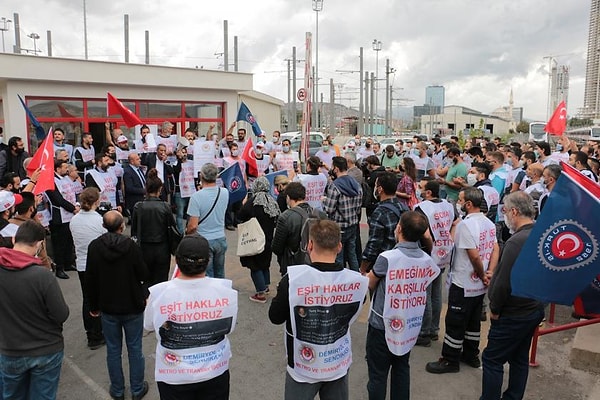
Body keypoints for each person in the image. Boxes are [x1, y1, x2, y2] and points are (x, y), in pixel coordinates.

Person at [269, 219, 369, 400]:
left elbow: (275, 317)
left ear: (309, 245)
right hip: (337, 362)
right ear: (339, 246)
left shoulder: (292, 280)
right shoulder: (357, 282)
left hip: (302, 366)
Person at [144, 234, 238, 400]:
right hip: (215, 372)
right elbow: (229, 327)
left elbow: (149, 325)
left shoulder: (159, 293)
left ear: (177, 260)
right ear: (208, 261)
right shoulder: (225, 291)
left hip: (174, 375)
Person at [366, 211, 440, 400]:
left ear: (398, 228)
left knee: (378, 374)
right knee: (401, 368)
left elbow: (370, 282)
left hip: (382, 324)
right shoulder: (426, 260)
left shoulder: (388, 257)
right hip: (409, 324)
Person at [426, 187, 500, 374]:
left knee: (455, 321)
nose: (457, 203)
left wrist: (483, 273)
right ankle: (471, 354)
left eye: (460, 200)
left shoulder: (466, 225)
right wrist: (489, 272)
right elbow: (495, 248)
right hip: (479, 285)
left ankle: (450, 359)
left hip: (464, 282)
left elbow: (474, 256)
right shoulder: (488, 223)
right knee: (473, 322)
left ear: (468, 204)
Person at [480, 191, 545, 400]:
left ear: (514, 211)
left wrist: (495, 309)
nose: (505, 215)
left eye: (506, 211)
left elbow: (504, 283)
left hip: (514, 312)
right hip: (532, 308)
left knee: (492, 359)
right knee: (519, 358)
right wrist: (496, 273)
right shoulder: (539, 234)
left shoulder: (517, 241)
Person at [0, 220, 69, 400]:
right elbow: (61, 314)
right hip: (45, 348)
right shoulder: (42, 276)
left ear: (14, 239)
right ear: (39, 244)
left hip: (10, 349)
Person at [86, 211, 149, 400]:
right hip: (132, 305)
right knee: (135, 347)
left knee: (113, 350)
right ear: (121, 226)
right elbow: (143, 274)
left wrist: (93, 304)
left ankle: (118, 389)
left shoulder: (95, 247)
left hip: (108, 306)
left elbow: (90, 278)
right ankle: (137, 389)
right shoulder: (131, 246)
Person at [414, 178, 455, 347]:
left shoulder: (422, 208)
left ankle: (424, 332)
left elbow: (425, 235)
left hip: (429, 254)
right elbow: (456, 222)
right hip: (444, 253)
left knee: (425, 294)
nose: (418, 190)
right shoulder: (447, 204)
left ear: (428, 192)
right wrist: (448, 240)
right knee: (436, 293)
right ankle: (434, 329)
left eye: (421, 188)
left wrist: (431, 249)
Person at [69, 187, 107, 350]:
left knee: (88, 298)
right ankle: (99, 332)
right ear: (96, 201)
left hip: (82, 264)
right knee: (101, 298)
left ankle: (91, 334)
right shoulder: (99, 220)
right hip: (98, 265)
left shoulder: (75, 220)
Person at [237, 177, 280, 303]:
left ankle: (260, 293)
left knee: (254, 265)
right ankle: (265, 286)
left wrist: (244, 202)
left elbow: (240, 215)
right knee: (265, 263)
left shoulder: (253, 202)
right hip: (268, 238)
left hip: (254, 238)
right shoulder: (272, 201)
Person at [132, 168, 176, 286]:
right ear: (160, 189)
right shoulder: (165, 206)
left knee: (145, 281)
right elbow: (172, 228)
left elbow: (134, 231)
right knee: (161, 282)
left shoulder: (138, 206)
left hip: (144, 248)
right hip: (162, 248)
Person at [186, 163, 230, 278]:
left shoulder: (196, 197)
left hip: (204, 240)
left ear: (201, 176)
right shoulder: (225, 192)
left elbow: (193, 226)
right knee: (220, 272)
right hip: (220, 237)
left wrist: (187, 234)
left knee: (208, 274)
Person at [360, 172, 408, 274]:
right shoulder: (404, 207)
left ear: (380, 189)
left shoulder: (379, 212)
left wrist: (363, 268)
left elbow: (373, 244)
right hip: (402, 261)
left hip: (385, 263)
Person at [323, 156, 362, 271]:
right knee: (352, 254)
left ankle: (340, 282)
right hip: (353, 224)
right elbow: (359, 207)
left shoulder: (334, 186)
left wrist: (324, 201)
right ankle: (356, 278)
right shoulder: (356, 184)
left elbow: (329, 210)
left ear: (336, 168)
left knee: (338, 256)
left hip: (339, 227)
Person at [47, 159, 80, 279]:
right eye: (65, 167)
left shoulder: (66, 179)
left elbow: (73, 193)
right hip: (59, 216)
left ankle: (68, 263)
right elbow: (58, 199)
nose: (67, 169)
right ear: (57, 169)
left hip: (70, 215)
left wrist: (77, 205)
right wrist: (73, 208)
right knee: (59, 243)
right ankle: (59, 268)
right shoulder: (51, 181)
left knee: (69, 241)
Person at [271, 182, 313, 276]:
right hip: (313, 262)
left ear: (288, 197)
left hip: (292, 264)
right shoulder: (317, 213)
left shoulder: (285, 217)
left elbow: (277, 247)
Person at [123, 152, 147, 221]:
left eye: (139, 158)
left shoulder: (140, 169)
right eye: (137, 159)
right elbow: (129, 188)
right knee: (136, 223)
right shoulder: (127, 172)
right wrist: (144, 191)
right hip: (134, 202)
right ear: (132, 161)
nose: (140, 160)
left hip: (143, 200)